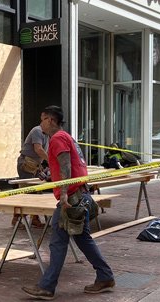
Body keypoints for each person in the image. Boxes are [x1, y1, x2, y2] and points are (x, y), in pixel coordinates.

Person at [22, 106, 115, 300]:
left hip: (71, 198)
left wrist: (63, 195)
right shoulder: (66, 137)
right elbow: (64, 168)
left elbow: (66, 167)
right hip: (79, 195)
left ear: (52, 121)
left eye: (44, 119)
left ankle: (47, 287)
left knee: (58, 242)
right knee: (83, 240)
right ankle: (105, 276)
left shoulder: (57, 138)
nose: (41, 124)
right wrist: (48, 176)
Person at [14, 115, 50, 229]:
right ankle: (16, 219)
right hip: (26, 164)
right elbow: (38, 149)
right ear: (45, 121)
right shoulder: (37, 131)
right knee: (26, 192)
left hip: (35, 165)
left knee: (36, 191)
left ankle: (34, 219)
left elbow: (44, 152)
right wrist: (52, 161)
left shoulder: (47, 135)